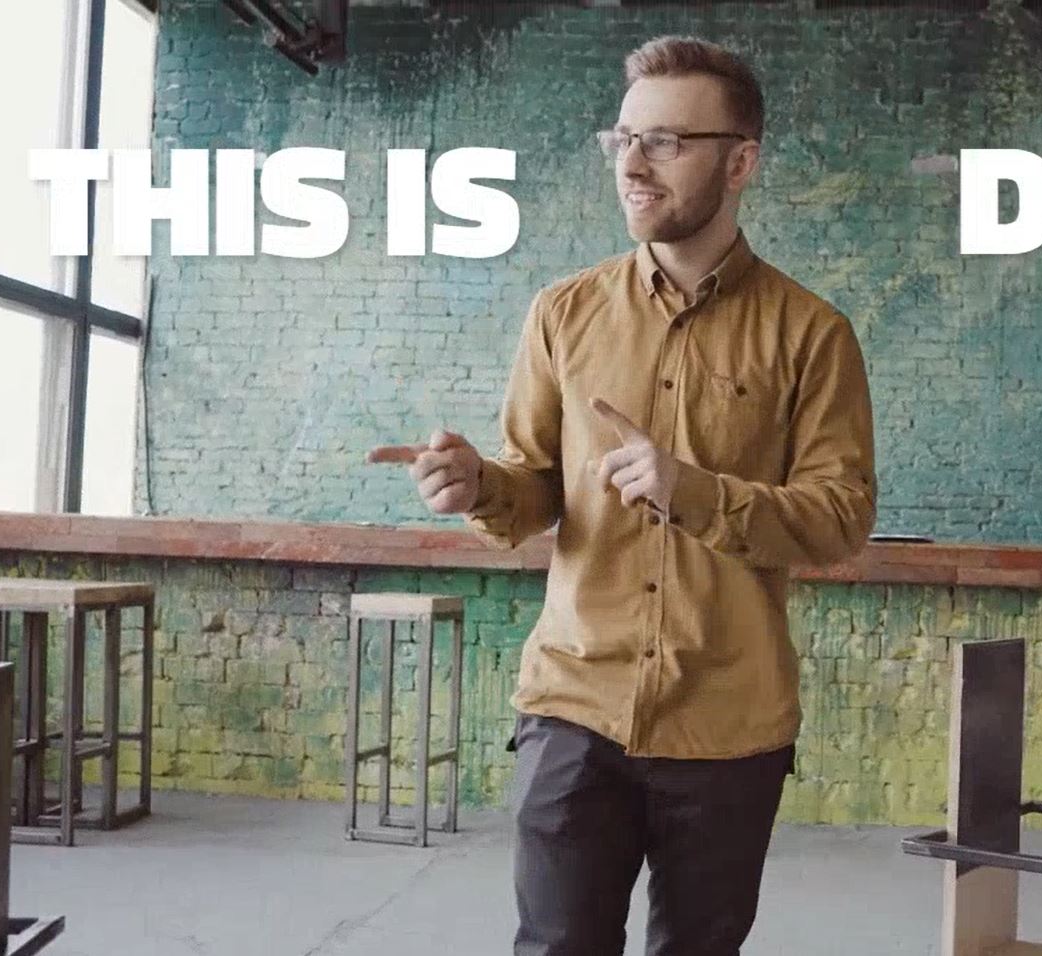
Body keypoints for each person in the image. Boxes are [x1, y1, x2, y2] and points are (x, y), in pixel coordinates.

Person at [372, 35, 876, 955]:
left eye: (666, 142)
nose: (633, 165)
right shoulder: (563, 313)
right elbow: (534, 487)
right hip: (574, 705)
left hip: (728, 723)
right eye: (622, 139)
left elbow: (840, 517)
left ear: (740, 163)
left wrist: (696, 492)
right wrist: (480, 484)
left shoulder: (813, 335)